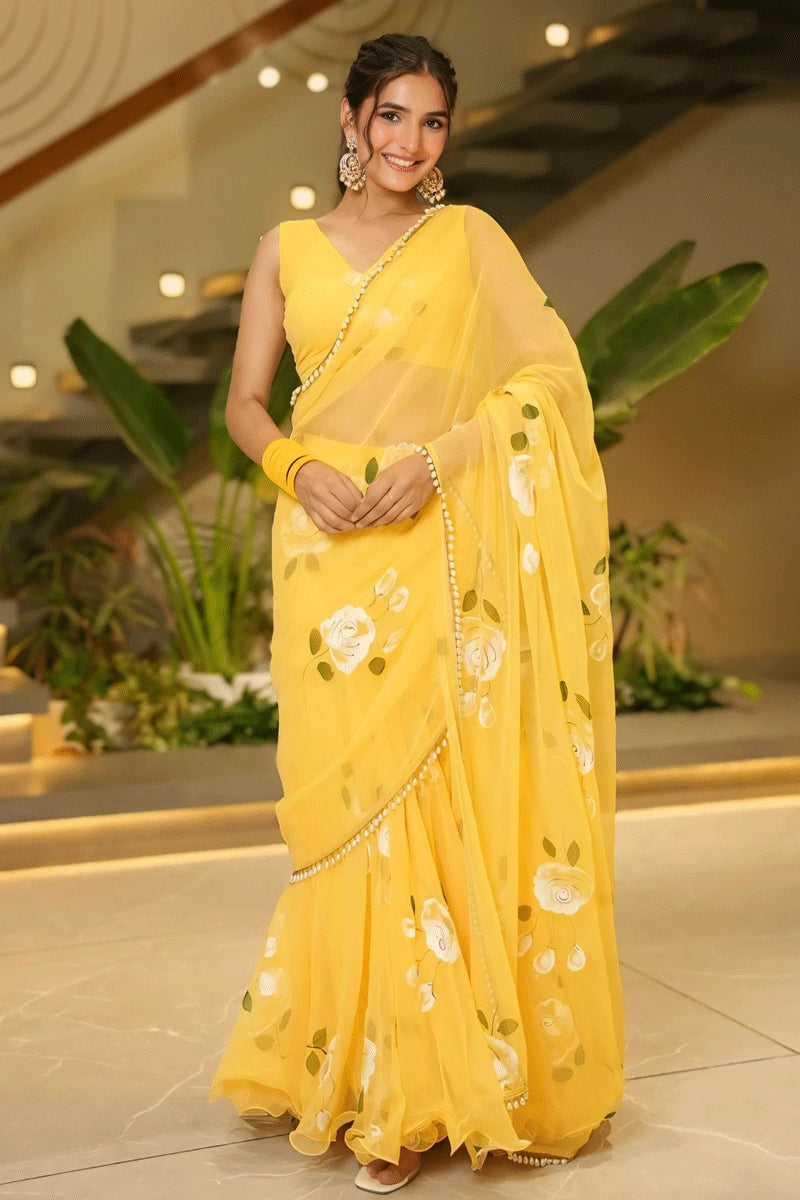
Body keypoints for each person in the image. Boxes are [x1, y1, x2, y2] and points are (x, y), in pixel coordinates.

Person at [210, 31, 625, 1194]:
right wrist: (296, 470)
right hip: (324, 548)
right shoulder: (284, 250)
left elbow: (550, 378)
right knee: (343, 812)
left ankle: (421, 1092)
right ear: (348, 121)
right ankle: (348, 1069)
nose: (409, 141)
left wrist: (445, 458)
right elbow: (244, 404)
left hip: (434, 541)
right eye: (390, 115)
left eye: (431, 120)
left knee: (435, 803)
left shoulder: (468, 239)